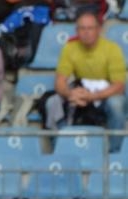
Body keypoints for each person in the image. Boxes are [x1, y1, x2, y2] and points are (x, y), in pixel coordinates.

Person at [54, 10, 126, 152]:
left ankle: (113, 153)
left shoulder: (112, 49)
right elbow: (60, 81)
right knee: (55, 102)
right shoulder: (70, 48)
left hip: (107, 94)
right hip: (82, 92)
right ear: (77, 31)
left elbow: (119, 86)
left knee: (116, 103)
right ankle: (62, 150)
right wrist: (70, 94)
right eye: (82, 28)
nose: (86, 32)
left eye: (90, 28)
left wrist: (93, 96)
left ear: (98, 29)